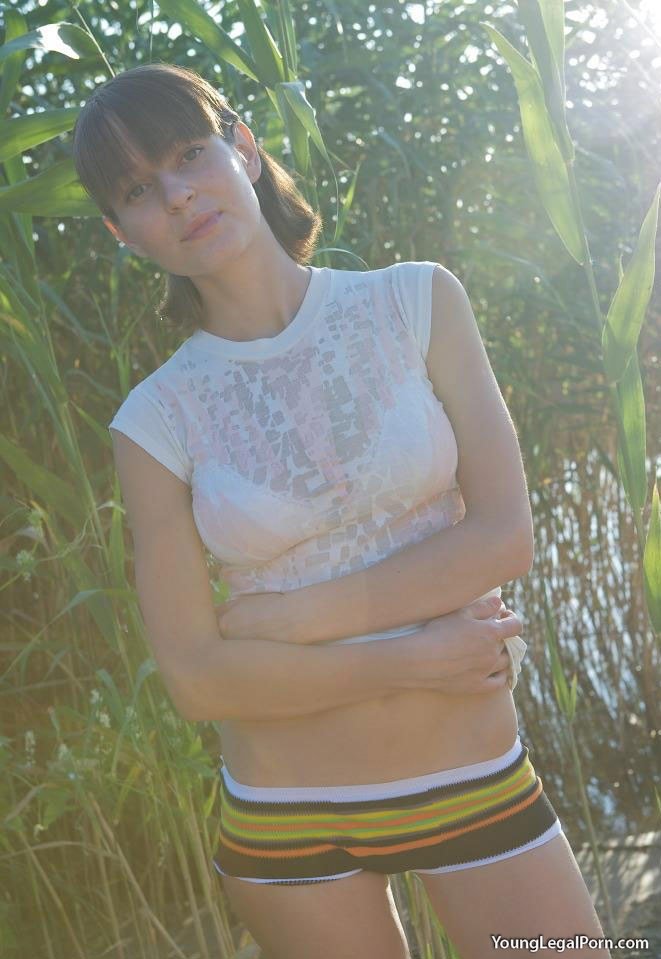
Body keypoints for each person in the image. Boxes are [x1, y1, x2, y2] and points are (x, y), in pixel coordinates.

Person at [73, 63, 612, 958]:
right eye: (137, 190)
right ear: (120, 233)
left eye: (189, 154)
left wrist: (292, 619)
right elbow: (199, 679)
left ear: (244, 149)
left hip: (472, 780)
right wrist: (412, 657)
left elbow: (502, 536)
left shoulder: (415, 300)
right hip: (287, 823)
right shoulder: (152, 420)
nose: (176, 194)